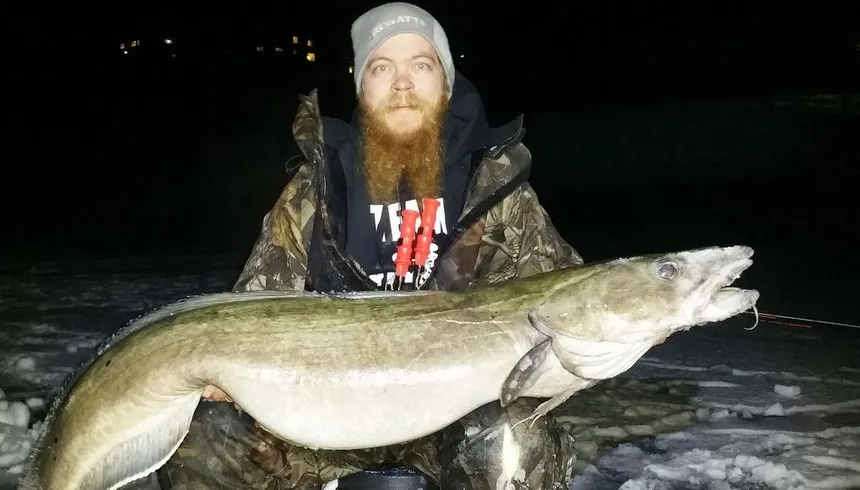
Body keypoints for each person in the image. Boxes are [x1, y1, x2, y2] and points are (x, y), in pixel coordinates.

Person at [157, 3, 584, 490]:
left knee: (515, 441)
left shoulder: (498, 187)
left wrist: (624, 328)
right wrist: (223, 372)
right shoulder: (312, 191)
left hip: (456, 418)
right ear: (363, 89)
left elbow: (564, 304)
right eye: (382, 69)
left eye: (421, 66)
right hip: (321, 423)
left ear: (444, 84)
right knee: (203, 442)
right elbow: (253, 310)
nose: (402, 84)